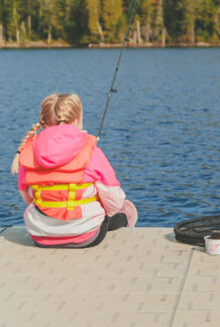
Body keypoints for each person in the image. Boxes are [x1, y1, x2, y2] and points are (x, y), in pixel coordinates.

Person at [11, 92, 138, 248]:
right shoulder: (91, 151)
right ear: (77, 120)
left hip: (41, 236)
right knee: (126, 208)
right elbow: (114, 199)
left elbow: (27, 198)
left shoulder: (28, 151)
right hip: (87, 235)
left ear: (43, 122)